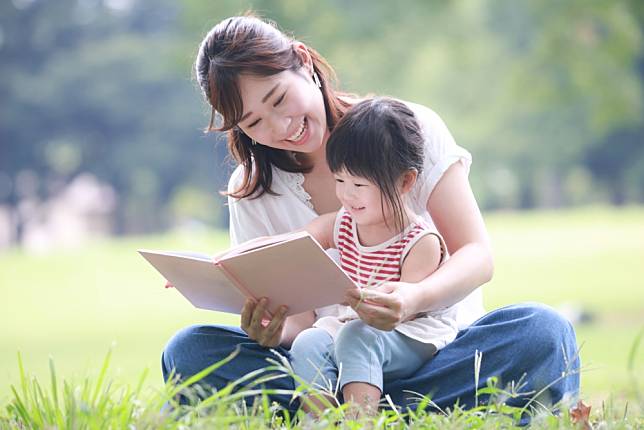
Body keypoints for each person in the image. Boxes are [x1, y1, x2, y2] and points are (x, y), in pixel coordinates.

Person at [161, 13, 579, 416]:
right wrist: (273, 332)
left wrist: (415, 296)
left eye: (280, 99)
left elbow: (476, 254)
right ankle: (381, 410)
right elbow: (298, 324)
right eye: (254, 122)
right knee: (190, 351)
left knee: (542, 331)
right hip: (325, 369)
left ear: (304, 62)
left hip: (438, 354)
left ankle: (374, 410)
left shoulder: (407, 128)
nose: (282, 126)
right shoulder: (251, 188)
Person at [289, 97, 459, 416]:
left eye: (359, 184)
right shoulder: (342, 223)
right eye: (339, 180)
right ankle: (322, 422)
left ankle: (360, 421)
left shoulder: (420, 241)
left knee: (357, 337)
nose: (346, 195)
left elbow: (398, 315)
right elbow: (294, 243)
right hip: (355, 328)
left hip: (408, 335)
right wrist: (224, 266)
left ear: (405, 181)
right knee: (307, 342)